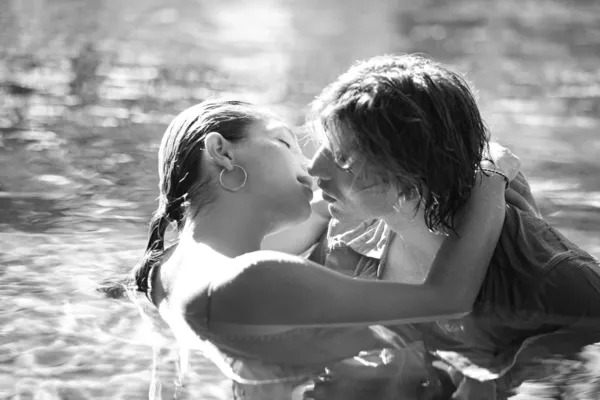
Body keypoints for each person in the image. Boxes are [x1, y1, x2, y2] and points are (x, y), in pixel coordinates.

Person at [104, 97, 516, 399]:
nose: (309, 166)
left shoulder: (163, 270)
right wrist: (490, 179)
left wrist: (323, 208)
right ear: (221, 152)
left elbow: (271, 259)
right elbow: (448, 298)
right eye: (285, 144)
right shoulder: (254, 278)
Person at [301, 53, 600, 399]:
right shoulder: (348, 246)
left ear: (411, 176)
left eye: (341, 158)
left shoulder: (558, 284)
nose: (314, 169)